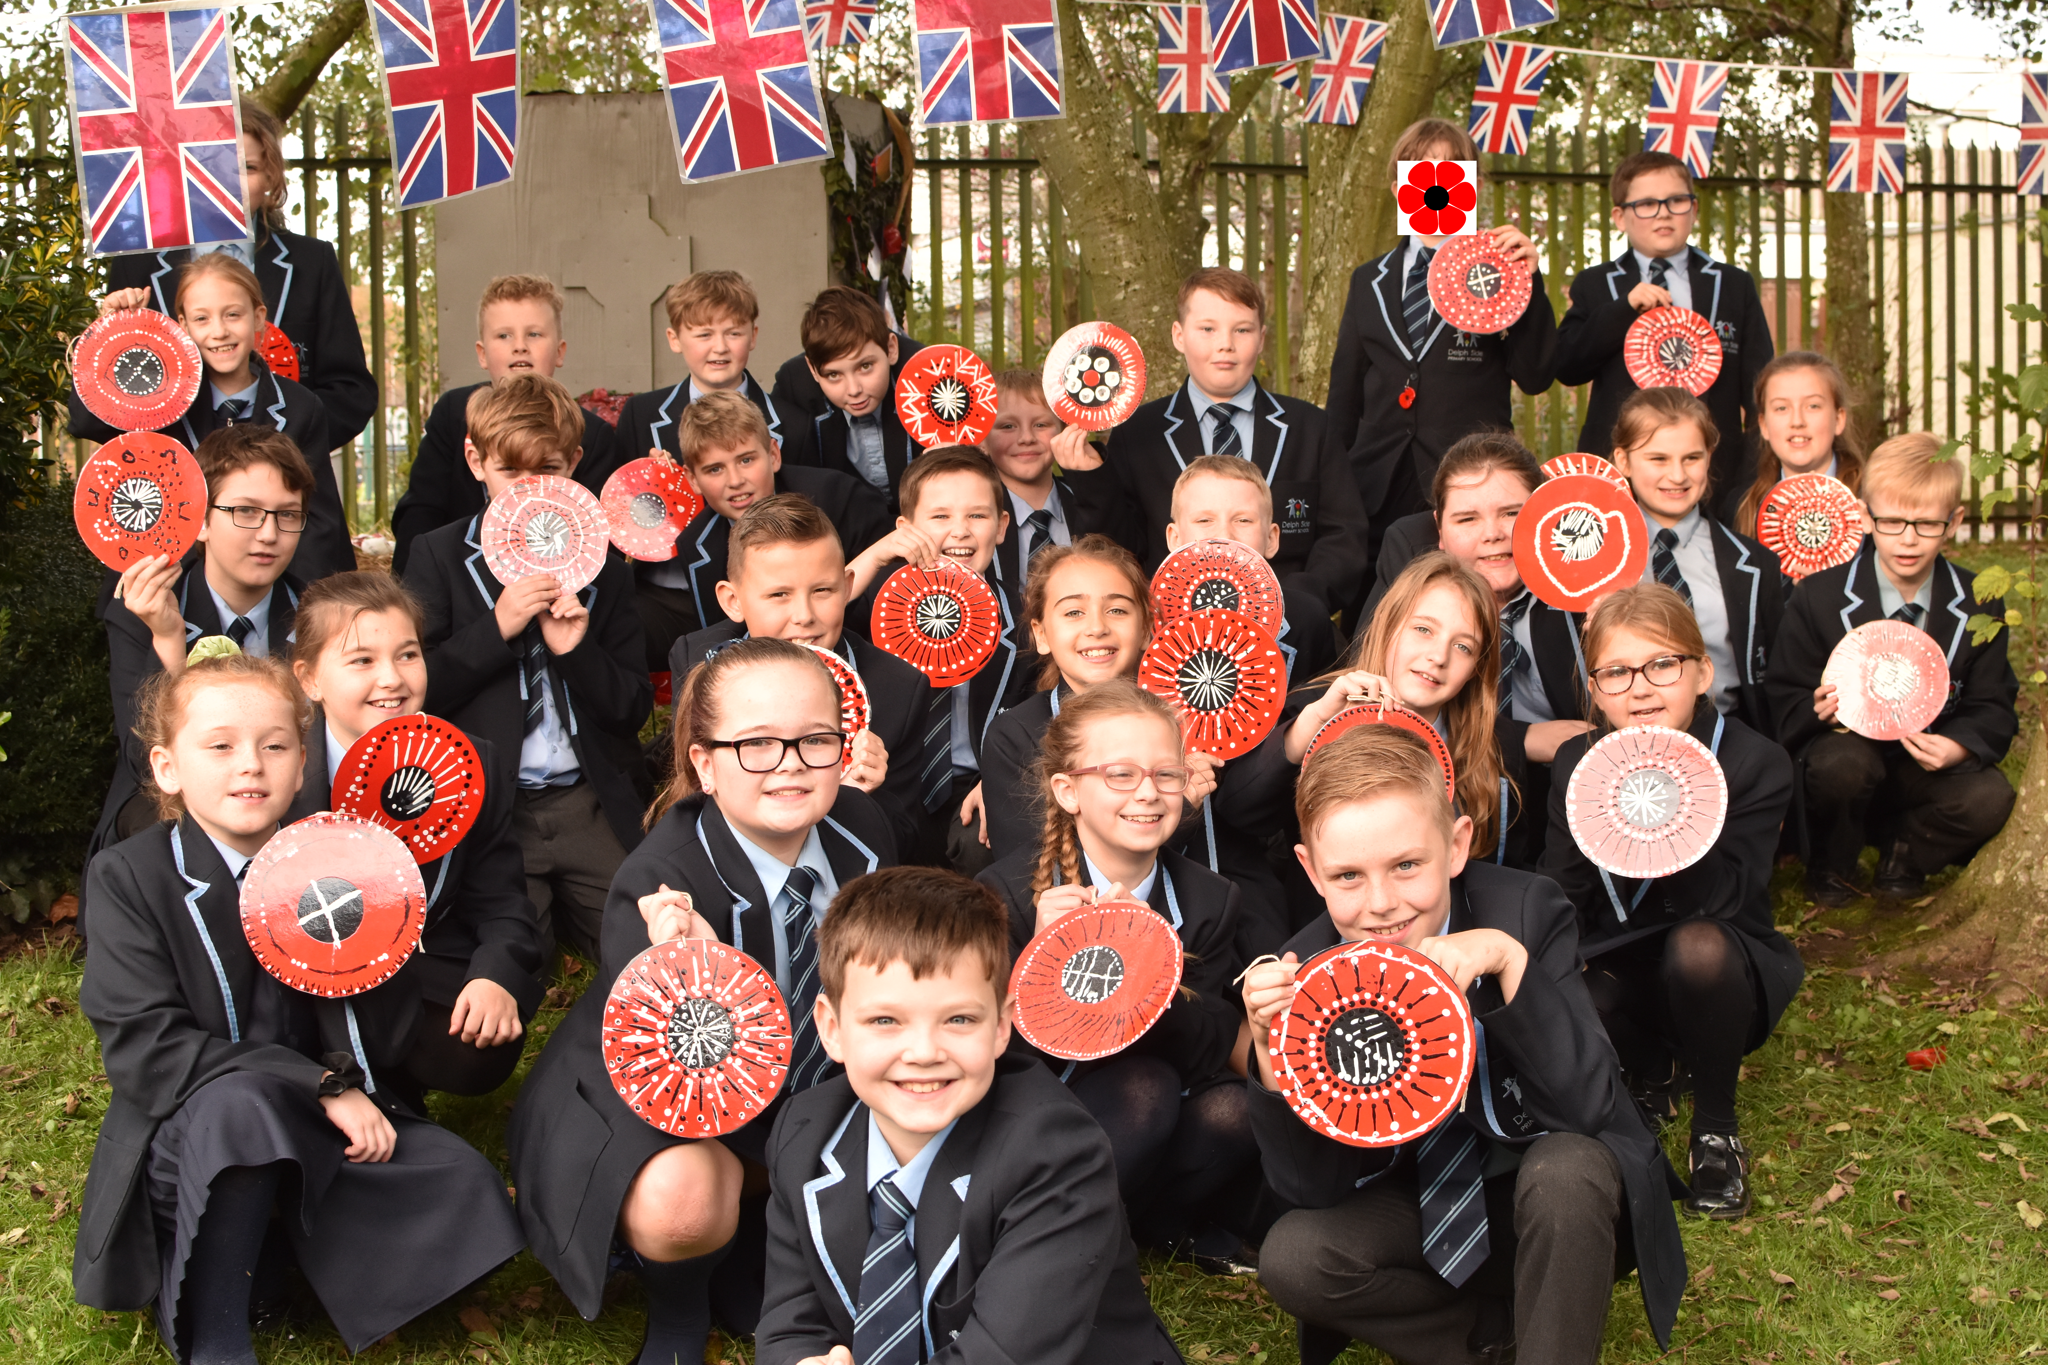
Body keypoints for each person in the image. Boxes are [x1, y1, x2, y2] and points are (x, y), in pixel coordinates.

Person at [75, 646, 523, 1364]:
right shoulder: (130, 876)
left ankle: (282, 1261)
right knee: (244, 1107)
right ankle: (217, 1331)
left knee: (465, 1184)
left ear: (302, 758)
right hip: (194, 1137)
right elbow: (147, 1049)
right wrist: (322, 1086)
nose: (250, 764)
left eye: (274, 745)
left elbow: (385, 1038)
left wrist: (379, 931)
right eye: (219, 746)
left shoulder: (335, 861)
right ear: (167, 766)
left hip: (319, 1123)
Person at [1244, 724, 1686, 1365]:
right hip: (1417, 1203)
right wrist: (1272, 1056)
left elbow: (1588, 1109)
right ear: (1311, 871)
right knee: (1294, 1255)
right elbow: (1311, 1189)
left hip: (1556, 1197)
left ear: (1455, 846)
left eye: (1406, 865)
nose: (1381, 904)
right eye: (1347, 876)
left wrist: (1508, 964)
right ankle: (1482, 1340)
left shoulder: (1525, 912)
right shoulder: (1312, 968)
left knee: (1568, 1168)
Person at [507, 638, 896, 1363]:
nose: (789, 762)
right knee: (685, 1195)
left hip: (806, 1096)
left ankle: (767, 1235)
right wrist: (685, 969)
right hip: (661, 1103)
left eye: (815, 739)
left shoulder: (864, 831)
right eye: (756, 744)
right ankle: (678, 1313)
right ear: (705, 764)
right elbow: (679, 1084)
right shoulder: (658, 879)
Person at [755, 864, 1184, 1365]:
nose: (922, 1051)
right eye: (885, 1021)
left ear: (1002, 1025)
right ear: (831, 1029)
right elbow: (789, 1326)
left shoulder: (1055, 1151)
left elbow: (1002, 1356)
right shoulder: (804, 1132)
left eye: (958, 1019)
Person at [1542, 585, 1799, 1218]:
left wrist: (1672, 805)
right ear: (1595, 690)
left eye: (1662, 664)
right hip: (1620, 953)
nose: (1641, 688)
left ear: (1701, 672)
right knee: (1579, 987)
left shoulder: (1754, 762)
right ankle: (1647, 1073)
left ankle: (1715, 1127)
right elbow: (1566, 888)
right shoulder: (1577, 762)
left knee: (1698, 949)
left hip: (1719, 953)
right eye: (1616, 673)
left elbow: (1732, 894)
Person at [977, 680, 1254, 1265]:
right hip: (1036, 1110)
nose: (1148, 794)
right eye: (1120, 776)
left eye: (1166, 775)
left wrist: (1153, 969)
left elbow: (1208, 1047)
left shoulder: (1209, 899)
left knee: (1236, 1111)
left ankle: (1144, 1217)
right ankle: (1047, 1234)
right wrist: (1041, 963)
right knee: (1142, 1089)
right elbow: (987, 1053)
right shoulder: (1005, 894)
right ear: (1068, 790)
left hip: (1158, 1102)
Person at [402, 374, 652, 959]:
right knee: (503, 961)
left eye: (550, 472)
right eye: (513, 473)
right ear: (475, 461)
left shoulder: (606, 569)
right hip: (491, 808)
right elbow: (415, 690)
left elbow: (630, 709)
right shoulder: (437, 556)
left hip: (584, 799)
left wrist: (576, 652)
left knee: (643, 949)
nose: (532, 492)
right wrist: (497, 629)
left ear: (576, 465)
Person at [286, 571, 545, 1108]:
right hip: (302, 973)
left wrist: (494, 977)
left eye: (408, 655)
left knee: (480, 1051)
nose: (392, 679)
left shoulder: (471, 764)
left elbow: (500, 899)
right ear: (309, 679)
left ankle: (389, 1063)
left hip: (420, 960)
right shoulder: (279, 773)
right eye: (362, 661)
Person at [1766, 432, 2019, 907]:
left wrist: (1959, 747)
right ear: (1865, 517)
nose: (1907, 538)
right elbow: (1784, 692)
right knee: (1842, 764)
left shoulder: (1979, 601)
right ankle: (1833, 862)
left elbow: (1993, 702)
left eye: (1926, 524)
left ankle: (1905, 853)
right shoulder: (1818, 597)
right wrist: (1815, 709)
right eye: (1892, 521)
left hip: (1924, 769)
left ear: (1954, 522)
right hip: (1844, 764)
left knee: (1990, 796)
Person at [1322, 119, 1558, 592]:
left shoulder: (1498, 270)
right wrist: (1337, 486)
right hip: (1379, 482)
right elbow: (1346, 393)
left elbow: (1535, 375)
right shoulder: (1368, 280)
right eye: (1420, 168)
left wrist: (1530, 288)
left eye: (1451, 167)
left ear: (1471, 184)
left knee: (1473, 598)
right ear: (1398, 188)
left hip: (1467, 481)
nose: (1436, 177)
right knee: (1377, 607)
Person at [87, 425, 317, 906]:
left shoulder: (319, 615)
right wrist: (169, 639)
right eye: (246, 512)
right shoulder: (139, 610)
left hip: (293, 789)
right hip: (168, 802)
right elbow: (142, 758)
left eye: (287, 515)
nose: (269, 534)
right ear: (201, 520)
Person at [1064, 267, 1368, 618]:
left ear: (1262, 337)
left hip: (1288, 624)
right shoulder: (1138, 432)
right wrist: (1089, 476)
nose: (1226, 343)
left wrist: (1286, 603)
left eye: (1242, 329)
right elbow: (1120, 547)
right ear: (1179, 335)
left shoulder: (1310, 427)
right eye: (1207, 329)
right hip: (1173, 627)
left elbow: (1344, 537)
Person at [1359, 434, 1595, 866]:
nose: (1493, 534)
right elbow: (1375, 673)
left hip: (1571, 796)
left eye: (1512, 513)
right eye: (1467, 519)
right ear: (1440, 532)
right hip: (1463, 789)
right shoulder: (1412, 570)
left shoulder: (1581, 586)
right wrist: (1521, 738)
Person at [104, 96, 377, 449]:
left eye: (246, 168)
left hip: (286, 479)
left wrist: (283, 445)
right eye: (212, 166)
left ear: (270, 179)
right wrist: (111, 335)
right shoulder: (136, 265)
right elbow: (113, 401)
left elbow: (351, 391)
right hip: (180, 475)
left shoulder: (313, 261)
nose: (227, 183)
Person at [667, 494, 932, 857]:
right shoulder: (697, 658)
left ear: (848, 586)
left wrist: (860, 800)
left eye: (822, 590)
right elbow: (690, 796)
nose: (804, 615)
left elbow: (905, 841)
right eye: (779, 595)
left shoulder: (897, 686)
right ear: (733, 601)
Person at [75, 254, 353, 583]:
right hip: (173, 582)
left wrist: (291, 606)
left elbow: (319, 522)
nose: (219, 331)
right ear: (182, 325)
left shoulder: (300, 408)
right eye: (202, 319)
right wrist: (112, 334)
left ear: (258, 317)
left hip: (273, 587)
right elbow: (85, 422)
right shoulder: (156, 404)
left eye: (233, 315)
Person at [846, 446, 1034, 873]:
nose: (960, 532)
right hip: (887, 780)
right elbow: (818, 604)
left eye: (977, 516)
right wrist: (877, 555)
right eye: (940, 516)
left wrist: (1003, 778)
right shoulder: (874, 604)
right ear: (905, 529)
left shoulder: (1026, 620)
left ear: (1002, 527)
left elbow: (1044, 709)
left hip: (977, 784)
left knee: (982, 838)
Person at [1555, 149, 1775, 501]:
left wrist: (1749, 471)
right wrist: (1623, 309)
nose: (1663, 213)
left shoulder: (1733, 285)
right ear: (1620, 217)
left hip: (1715, 475)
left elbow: (1760, 388)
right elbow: (1567, 365)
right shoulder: (1595, 284)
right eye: (1646, 204)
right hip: (1620, 474)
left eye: (1676, 201)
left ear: (1694, 209)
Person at [977, 537, 1216, 859]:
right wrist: (1181, 808)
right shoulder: (1013, 736)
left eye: (1116, 609)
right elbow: (1029, 866)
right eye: (1074, 612)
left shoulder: (1192, 714)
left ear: (1146, 628)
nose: (1097, 627)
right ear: (1041, 634)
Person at [1277, 553, 1508, 861]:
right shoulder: (1317, 705)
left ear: (1476, 670)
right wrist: (1315, 721)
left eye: (1463, 646)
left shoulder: (1491, 755)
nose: (1439, 656)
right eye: (1423, 629)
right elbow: (1241, 809)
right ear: (1388, 626)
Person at [390, 274, 618, 572]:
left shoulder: (592, 433)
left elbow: (597, 534)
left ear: (560, 351)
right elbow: (421, 511)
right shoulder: (453, 413)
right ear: (482, 354)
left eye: (534, 334)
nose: (520, 346)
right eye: (504, 336)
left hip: (554, 576)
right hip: (458, 575)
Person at [651, 392, 890, 660]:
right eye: (715, 469)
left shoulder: (840, 497)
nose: (735, 480)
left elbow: (885, 602)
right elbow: (724, 631)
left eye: (746, 460)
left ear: (773, 455)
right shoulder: (695, 543)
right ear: (693, 479)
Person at [1609, 386, 1785, 735]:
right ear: (1623, 461)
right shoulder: (1596, 559)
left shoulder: (1754, 563)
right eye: (1658, 459)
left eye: (1691, 458)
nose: (1677, 476)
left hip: (1729, 734)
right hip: (1623, 741)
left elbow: (1776, 677)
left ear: (1709, 456)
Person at [774, 286, 923, 511]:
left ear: (891, 349)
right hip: (843, 526)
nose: (854, 389)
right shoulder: (794, 387)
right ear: (813, 370)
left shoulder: (927, 376)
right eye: (834, 375)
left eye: (865, 366)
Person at [1724, 351, 1867, 535]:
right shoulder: (1740, 508)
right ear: (1764, 425)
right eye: (1781, 408)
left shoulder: (1872, 501)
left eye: (1812, 406)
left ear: (1839, 419)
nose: (1797, 421)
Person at [985, 368, 1095, 598]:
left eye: (1040, 425)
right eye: (1007, 426)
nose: (1026, 438)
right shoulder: (975, 515)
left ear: (1064, 430)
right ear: (982, 439)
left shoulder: (1090, 503)